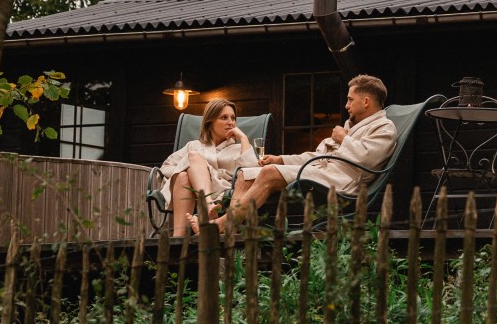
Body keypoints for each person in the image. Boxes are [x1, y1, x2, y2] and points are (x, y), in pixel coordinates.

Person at [229, 74, 395, 219]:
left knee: (269, 172)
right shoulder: (352, 126)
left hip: (343, 182)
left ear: (366, 102)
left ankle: (225, 225)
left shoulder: (384, 127)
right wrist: (281, 159)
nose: (346, 105)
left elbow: (366, 159)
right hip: (323, 172)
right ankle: (232, 226)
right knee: (245, 175)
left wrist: (344, 138)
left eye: (350, 99)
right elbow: (318, 156)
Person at [157, 98, 257, 241]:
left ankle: (178, 239)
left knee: (188, 165)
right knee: (184, 174)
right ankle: (181, 236)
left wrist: (244, 138)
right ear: (210, 124)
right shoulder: (194, 146)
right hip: (192, 191)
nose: (231, 122)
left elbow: (253, 173)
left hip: (224, 191)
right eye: (224, 117)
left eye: (233, 118)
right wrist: (196, 170)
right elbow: (165, 168)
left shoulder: (239, 148)